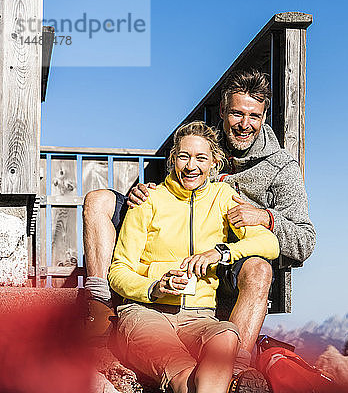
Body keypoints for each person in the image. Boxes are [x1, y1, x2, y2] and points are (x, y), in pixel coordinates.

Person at [83, 69, 315, 378]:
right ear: (222, 111)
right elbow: (168, 194)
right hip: (176, 253)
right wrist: (140, 192)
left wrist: (267, 218)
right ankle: (100, 309)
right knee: (98, 200)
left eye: (254, 116)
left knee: (260, 268)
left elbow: (305, 240)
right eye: (236, 113)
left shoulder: (280, 167)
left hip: (230, 256)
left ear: (264, 116)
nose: (245, 124)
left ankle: (236, 369)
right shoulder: (196, 143)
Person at [108, 121, 280, 393]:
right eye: (184, 156)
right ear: (173, 159)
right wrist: (154, 287)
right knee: (184, 374)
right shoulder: (149, 200)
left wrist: (222, 252)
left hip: (200, 317)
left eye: (201, 158)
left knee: (226, 336)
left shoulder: (223, 197)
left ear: (214, 162)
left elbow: (269, 243)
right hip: (146, 313)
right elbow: (119, 271)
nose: (191, 166)